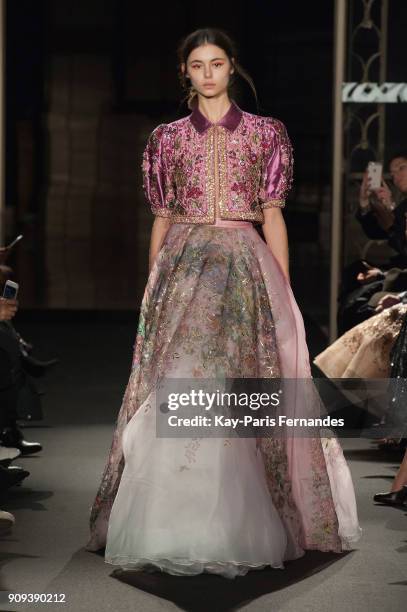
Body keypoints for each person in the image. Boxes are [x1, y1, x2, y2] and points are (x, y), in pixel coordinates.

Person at [85, 28, 361, 579]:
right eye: (196, 64)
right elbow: (161, 217)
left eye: (216, 63)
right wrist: (153, 283)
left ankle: (240, 519)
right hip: (184, 267)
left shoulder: (265, 134)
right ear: (184, 72)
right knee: (180, 378)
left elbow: (274, 214)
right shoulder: (166, 139)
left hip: (243, 263)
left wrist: (281, 285)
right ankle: (173, 520)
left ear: (232, 68)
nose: (207, 72)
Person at [356, 152, 407, 266]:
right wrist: (364, 200)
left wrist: (389, 213)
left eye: (401, 168)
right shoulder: (403, 206)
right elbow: (375, 232)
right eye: (393, 175)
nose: (397, 177)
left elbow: (399, 238)